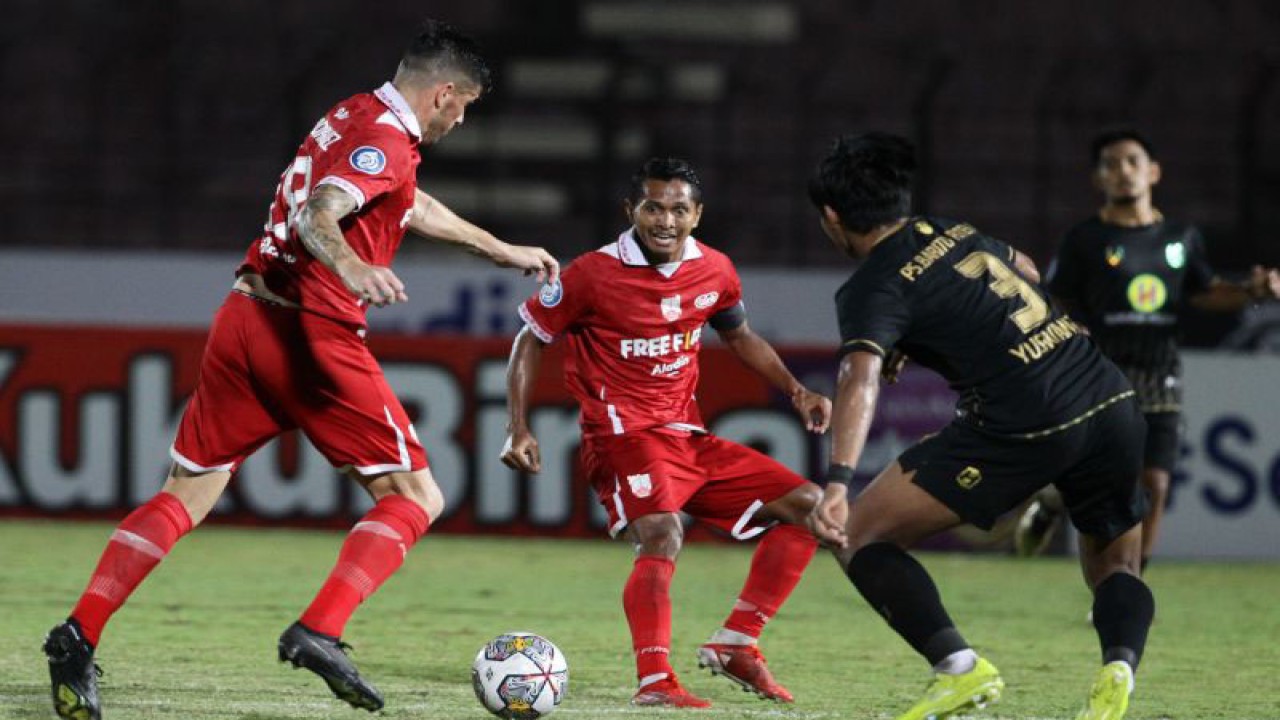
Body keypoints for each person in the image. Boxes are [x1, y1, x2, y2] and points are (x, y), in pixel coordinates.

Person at [41, 20, 559, 720]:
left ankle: (78, 635)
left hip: (245, 315)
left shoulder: (355, 114)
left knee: (187, 494)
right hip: (309, 333)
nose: (462, 120)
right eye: (463, 105)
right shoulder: (383, 140)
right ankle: (321, 628)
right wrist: (352, 265)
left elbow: (402, 199)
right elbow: (324, 213)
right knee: (416, 496)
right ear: (443, 93)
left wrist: (494, 246)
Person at [804, 132, 1155, 720]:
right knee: (1116, 565)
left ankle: (960, 670)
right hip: (1108, 393)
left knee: (859, 535)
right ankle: (1118, 669)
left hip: (1027, 421)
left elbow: (857, 380)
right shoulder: (950, 230)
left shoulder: (871, 286)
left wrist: (837, 483)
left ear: (832, 218)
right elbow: (1024, 267)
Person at [501, 157, 830, 708]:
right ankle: (654, 680)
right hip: (621, 435)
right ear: (631, 210)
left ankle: (737, 642)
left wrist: (796, 390)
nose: (666, 220)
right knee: (661, 531)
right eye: (653, 207)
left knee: (810, 508)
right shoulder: (590, 274)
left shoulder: (717, 270)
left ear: (697, 215)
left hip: (687, 436)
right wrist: (518, 427)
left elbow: (741, 335)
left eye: (679, 209)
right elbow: (530, 338)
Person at [1015, 128, 1280, 566]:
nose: (1123, 172)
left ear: (1153, 172)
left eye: (1133, 162)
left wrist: (1252, 291)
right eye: (1111, 165)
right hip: (1100, 372)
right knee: (1090, 477)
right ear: (1097, 179)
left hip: (1160, 373)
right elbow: (1054, 299)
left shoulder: (1180, 238)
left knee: (1154, 484)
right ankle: (1052, 502)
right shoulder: (1084, 240)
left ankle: (1130, 584)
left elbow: (1204, 291)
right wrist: (1066, 328)